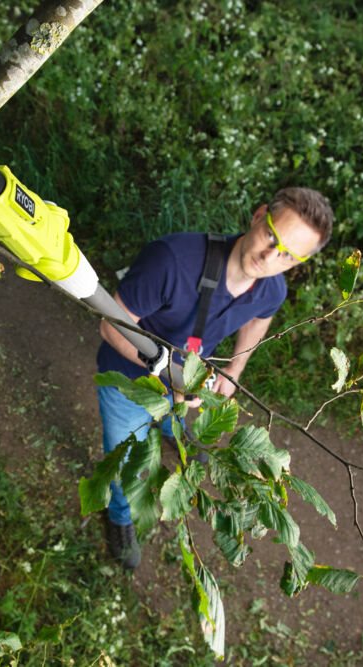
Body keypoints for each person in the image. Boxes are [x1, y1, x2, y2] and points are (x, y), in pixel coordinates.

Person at [95, 187, 334, 569]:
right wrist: (170, 376)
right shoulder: (173, 260)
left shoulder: (272, 286)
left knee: (179, 417)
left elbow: (263, 316)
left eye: (289, 255)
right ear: (258, 216)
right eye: (273, 235)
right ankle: (120, 518)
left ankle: (173, 431)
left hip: (186, 384)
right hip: (128, 385)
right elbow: (112, 326)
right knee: (126, 463)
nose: (271, 257)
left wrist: (235, 369)